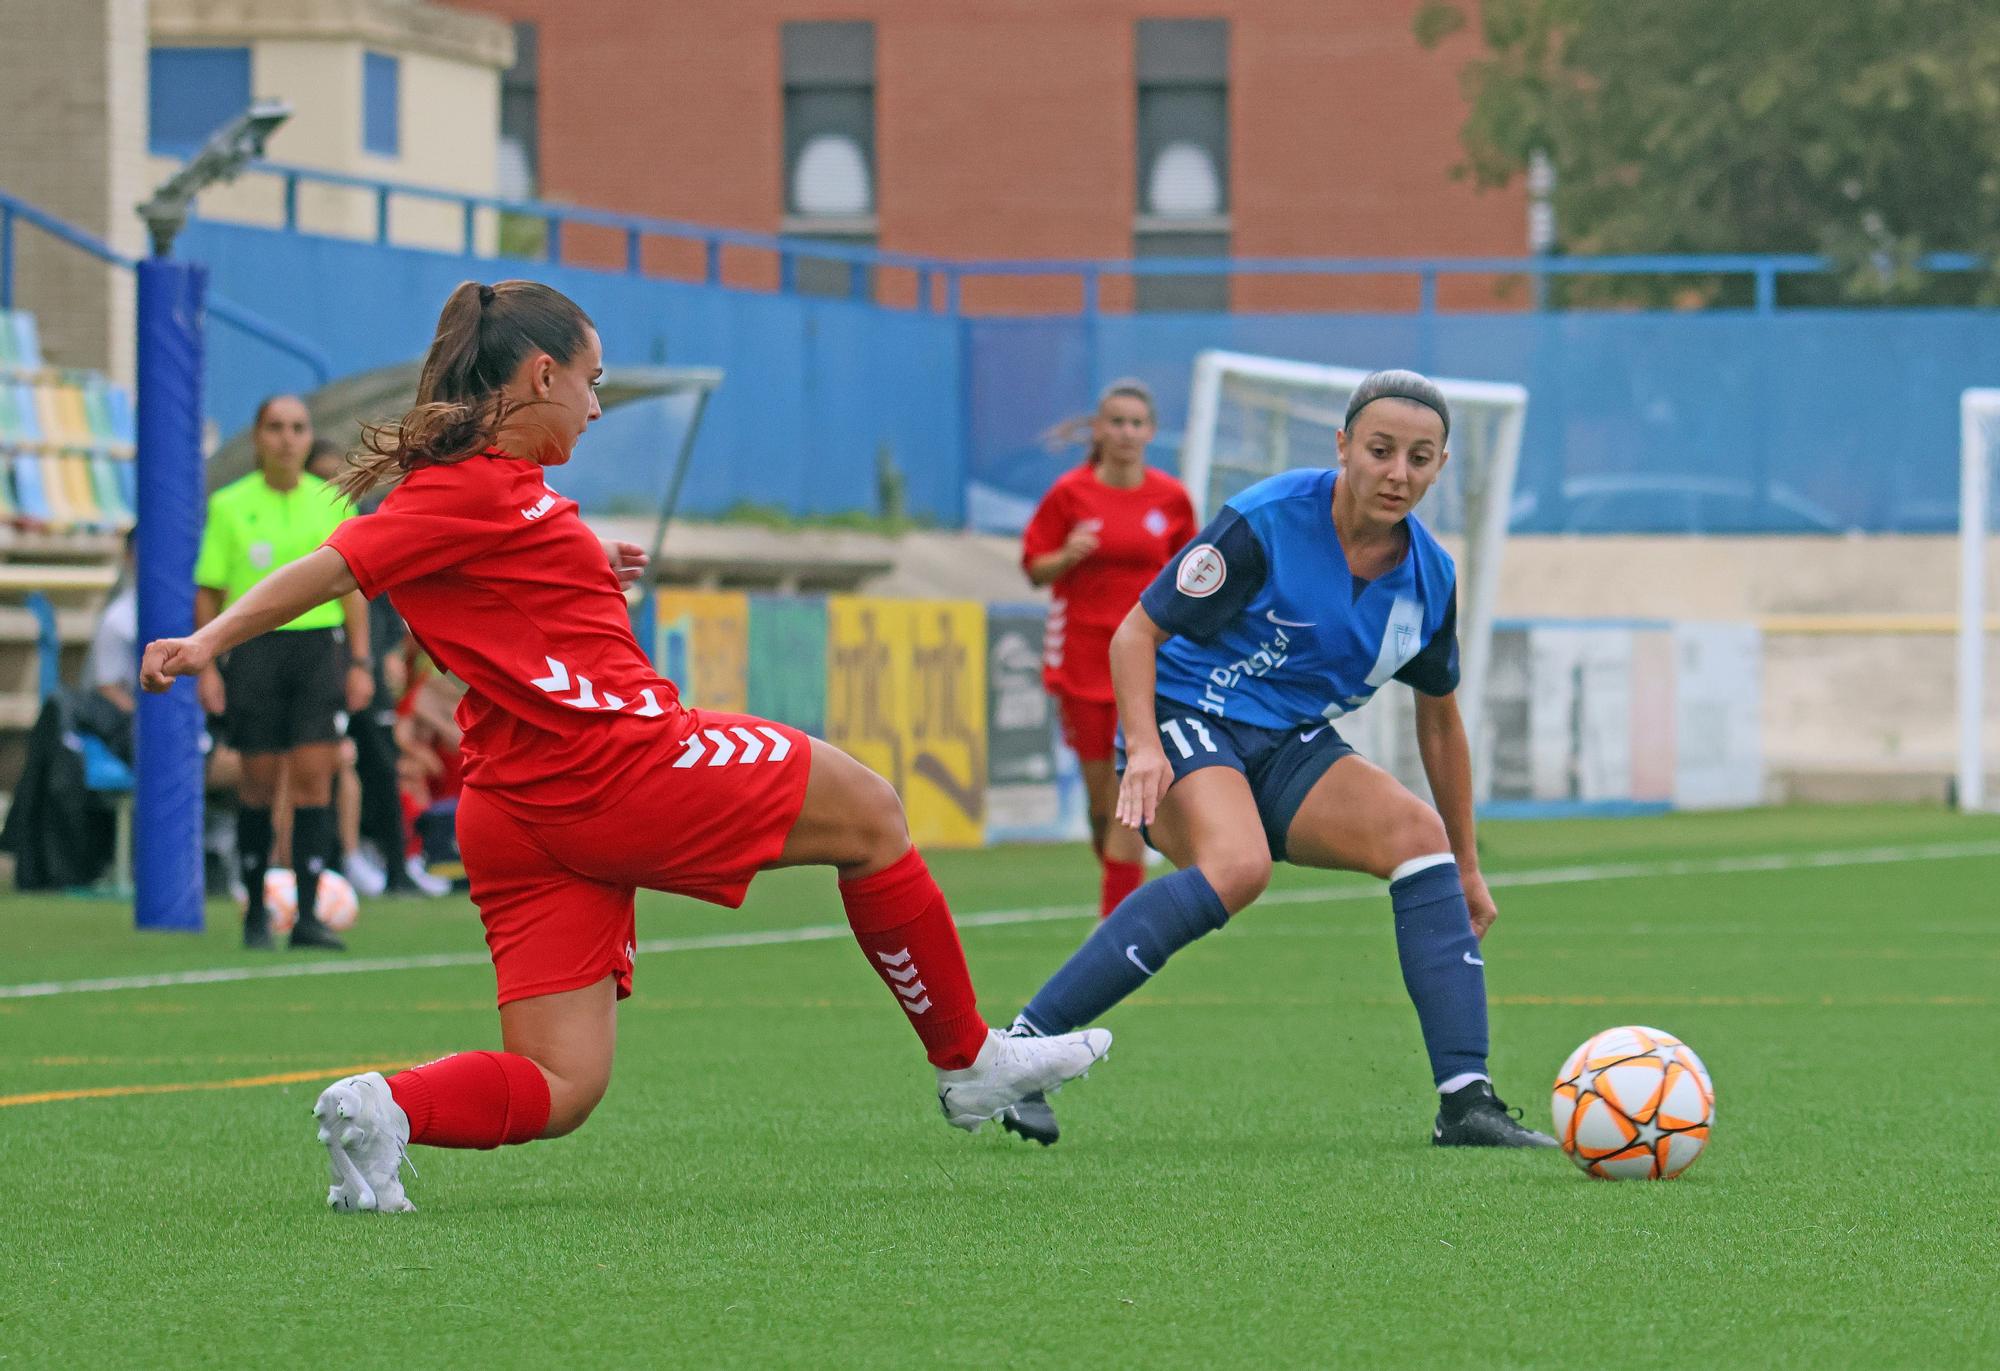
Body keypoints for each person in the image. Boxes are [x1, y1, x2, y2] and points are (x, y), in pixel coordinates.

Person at [141, 279, 1110, 1213]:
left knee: (561, 1083)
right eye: (593, 380)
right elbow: (336, 564)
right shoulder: (466, 493)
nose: (599, 406)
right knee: (872, 813)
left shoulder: (504, 497)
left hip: (517, 812)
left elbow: (486, 579)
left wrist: (584, 560)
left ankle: (387, 1107)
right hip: (616, 768)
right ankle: (968, 1063)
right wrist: (209, 639)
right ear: (541, 378)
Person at [999, 370, 1557, 1150]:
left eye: (1421, 457)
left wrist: (1467, 864)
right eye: (1382, 450)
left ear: (1440, 466)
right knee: (1239, 865)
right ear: (1343, 447)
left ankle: (1467, 1101)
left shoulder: (1430, 579)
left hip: (1287, 742)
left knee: (1417, 838)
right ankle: (1023, 1047)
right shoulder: (1265, 519)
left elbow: (1440, 724)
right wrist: (1148, 748)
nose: (1399, 473)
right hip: (1183, 713)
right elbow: (1135, 635)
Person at [195, 395, 373, 950]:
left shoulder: (334, 501)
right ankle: (254, 912)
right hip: (253, 650)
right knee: (259, 779)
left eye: (298, 428)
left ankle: (308, 917)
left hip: (319, 648)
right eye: (275, 427)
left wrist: (361, 661)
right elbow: (209, 589)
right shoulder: (229, 505)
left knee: (316, 776)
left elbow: (355, 586)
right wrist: (207, 666)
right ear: (257, 437)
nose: (287, 438)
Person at [1021, 379, 1196, 921]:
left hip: (1149, 666)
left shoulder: (1170, 499)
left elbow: (1193, 578)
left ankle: (1115, 933)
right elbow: (1033, 568)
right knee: (1103, 803)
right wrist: (1068, 554)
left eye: (1135, 423)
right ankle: (1120, 879)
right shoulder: (1070, 494)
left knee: (1130, 794)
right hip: (1080, 663)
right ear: (1098, 429)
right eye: (1115, 422)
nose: (1125, 432)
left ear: (1151, 432)